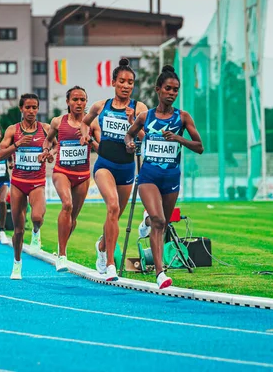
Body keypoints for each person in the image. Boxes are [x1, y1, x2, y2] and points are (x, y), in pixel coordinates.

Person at [124, 65, 203, 289]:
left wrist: (179, 139)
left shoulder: (183, 117)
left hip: (171, 178)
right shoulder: (145, 116)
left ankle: (145, 221)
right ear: (158, 89)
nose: (172, 93)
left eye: (176, 90)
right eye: (168, 88)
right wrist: (130, 144)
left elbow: (199, 147)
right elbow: (129, 134)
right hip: (149, 176)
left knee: (162, 223)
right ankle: (160, 273)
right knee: (159, 221)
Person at [80, 58, 148, 281]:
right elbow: (85, 122)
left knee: (115, 215)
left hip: (127, 169)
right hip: (104, 165)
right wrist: (84, 133)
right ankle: (110, 263)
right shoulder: (101, 105)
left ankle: (101, 245)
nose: (126, 86)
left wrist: (133, 123)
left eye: (130, 82)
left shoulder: (140, 109)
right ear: (113, 82)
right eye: (122, 81)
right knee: (112, 206)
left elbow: (145, 137)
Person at [0, 93, 55, 280]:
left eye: (34, 107)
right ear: (21, 109)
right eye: (28, 107)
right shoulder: (13, 130)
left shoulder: (45, 129)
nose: (31, 111)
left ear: (38, 109)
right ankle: (16, 263)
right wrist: (17, 144)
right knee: (18, 229)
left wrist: (48, 152)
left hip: (37, 182)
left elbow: (57, 145)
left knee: (37, 216)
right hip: (18, 183)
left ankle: (37, 233)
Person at [42, 86, 99, 272]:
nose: (79, 103)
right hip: (61, 172)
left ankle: (60, 249)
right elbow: (48, 140)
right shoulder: (58, 122)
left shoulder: (93, 123)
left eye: (82, 99)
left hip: (82, 176)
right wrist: (46, 152)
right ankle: (63, 255)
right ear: (68, 102)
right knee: (67, 205)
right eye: (75, 99)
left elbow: (101, 148)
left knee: (73, 218)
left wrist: (89, 140)